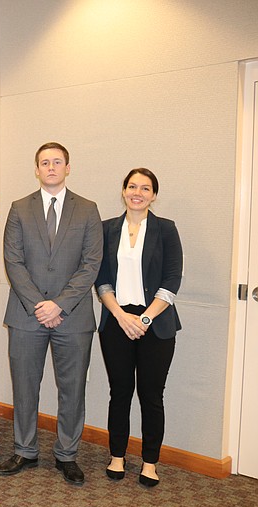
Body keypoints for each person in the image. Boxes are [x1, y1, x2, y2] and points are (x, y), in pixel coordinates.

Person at [0, 142, 103, 486]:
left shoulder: (88, 210)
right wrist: (38, 305)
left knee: (72, 388)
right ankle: (25, 450)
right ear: (37, 169)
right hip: (26, 314)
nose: (51, 167)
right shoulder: (19, 208)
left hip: (72, 317)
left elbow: (91, 265)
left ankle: (67, 454)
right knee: (25, 385)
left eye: (57, 162)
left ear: (68, 168)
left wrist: (59, 304)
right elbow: (13, 261)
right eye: (45, 162)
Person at [95, 168, 182, 488]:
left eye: (146, 188)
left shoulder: (166, 229)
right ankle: (117, 455)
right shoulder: (106, 229)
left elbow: (173, 279)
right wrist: (120, 315)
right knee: (119, 392)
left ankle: (149, 462)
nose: (138, 192)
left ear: (154, 195)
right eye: (133, 186)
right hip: (116, 320)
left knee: (151, 395)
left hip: (155, 323)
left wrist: (144, 319)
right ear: (123, 191)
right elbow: (101, 277)